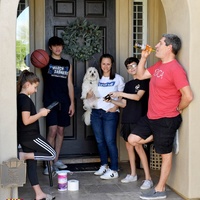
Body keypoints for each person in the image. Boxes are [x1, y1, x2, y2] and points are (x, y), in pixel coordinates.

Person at [128, 34, 193, 199]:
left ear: (169, 48)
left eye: (160, 43)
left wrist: (178, 108)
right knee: (132, 139)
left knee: (165, 154)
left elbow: (188, 96)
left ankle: (160, 189)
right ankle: (157, 137)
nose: (156, 46)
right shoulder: (159, 65)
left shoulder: (176, 69)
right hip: (151, 117)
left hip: (166, 119)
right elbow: (141, 75)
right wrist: (143, 58)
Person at [109, 57, 153, 189]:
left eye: (134, 65)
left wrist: (120, 92)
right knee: (129, 147)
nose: (132, 68)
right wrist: (112, 101)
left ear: (139, 65)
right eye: (129, 67)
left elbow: (138, 96)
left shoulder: (145, 81)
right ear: (127, 70)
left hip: (139, 120)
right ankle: (133, 174)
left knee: (138, 147)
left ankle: (148, 178)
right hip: (127, 119)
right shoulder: (128, 85)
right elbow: (123, 103)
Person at [17, 70, 56, 200]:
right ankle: (24, 155)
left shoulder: (20, 98)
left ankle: (39, 194)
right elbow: (26, 120)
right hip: (31, 136)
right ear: (27, 84)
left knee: (32, 165)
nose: (35, 90)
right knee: (52, 154)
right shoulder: (25, 101)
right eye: (35, 87)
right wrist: (41, 113)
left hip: (25, 137)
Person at [41, 36, 75, 175]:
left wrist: (72, 103)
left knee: (61, 131)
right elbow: (33, 59)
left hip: (64, 101)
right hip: (50, 101)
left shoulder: (67, 63)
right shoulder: (45, 61)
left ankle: (55, 160)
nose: (57, 48)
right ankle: (48, 164)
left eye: (59, 45)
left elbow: (70, 84)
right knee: (52, 131)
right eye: (54, 46)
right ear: (50, 47)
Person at [88, 53, 125, 179]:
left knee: (110, 141)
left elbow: (121, 96)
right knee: (100, 141)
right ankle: (104, 165)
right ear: (100, 64)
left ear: (112, 65)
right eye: (103, 63)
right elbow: (89, 96)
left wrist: (115, 108)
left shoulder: (118, 78)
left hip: (110, 113)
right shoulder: (95, 79)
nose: (105, 66)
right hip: (96, 113)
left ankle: (114, 168)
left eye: (108, 64)